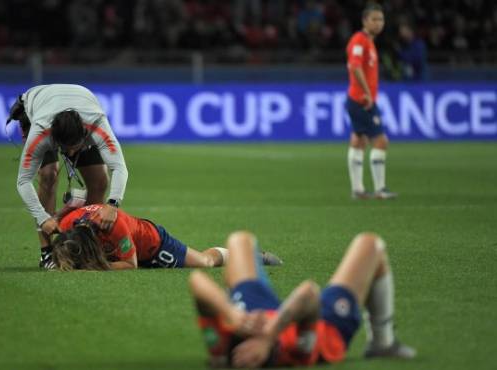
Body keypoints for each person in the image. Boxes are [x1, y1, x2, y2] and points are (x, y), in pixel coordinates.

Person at [189, 230, 416, 368]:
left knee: (239, 240)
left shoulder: (222, 347)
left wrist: (234, 314)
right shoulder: (296, 351)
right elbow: (309, 294)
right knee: (371, 245)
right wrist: (269, 335)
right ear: (272, 351)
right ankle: (382, 343)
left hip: (254, 310)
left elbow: (197, 282)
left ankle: (250, 272)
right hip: (320, 324)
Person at [7, 84, 128, 269]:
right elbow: (23, 181)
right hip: (36, 108)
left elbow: (119, 167)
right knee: (48, 174)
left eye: (75, 147)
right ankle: (47, 253)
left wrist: (113, 204)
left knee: (100, 181)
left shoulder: (97, 124)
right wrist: (42, 218)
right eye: (65, 148)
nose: (70, 153)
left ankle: (84, 244)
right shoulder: (40, 132)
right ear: (55, 139)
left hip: (83, 106)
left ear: (85, 135)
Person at [51, 204, 283, 270]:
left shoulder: (114, 226)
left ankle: (250, 256)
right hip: (121, 250)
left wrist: (93, 268)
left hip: (151, 245)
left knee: (205, 262)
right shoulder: (67, 225)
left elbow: (130, 265)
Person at [345, 3, 396, 200]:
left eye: (381, 19)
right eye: (374, 19)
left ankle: (357, 190)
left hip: (358, 99)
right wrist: (367, 93)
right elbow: (355, 66)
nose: (378, 23)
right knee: (381, 141)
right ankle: (380, 189)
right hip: (361, 100)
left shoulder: (368, 42)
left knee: (359, 140)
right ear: (365, 21)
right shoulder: (360, 40)